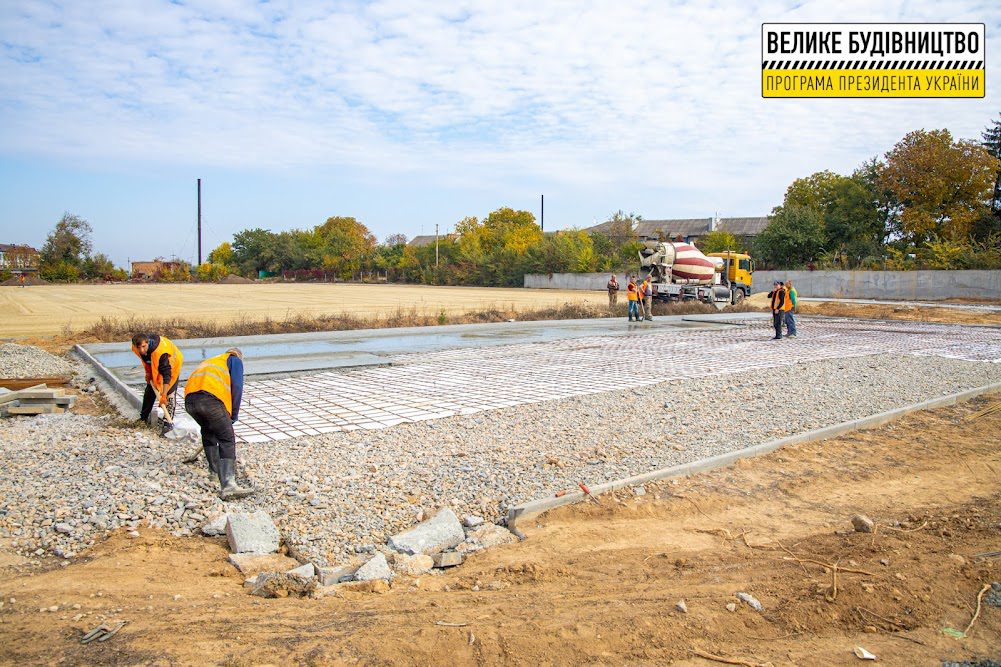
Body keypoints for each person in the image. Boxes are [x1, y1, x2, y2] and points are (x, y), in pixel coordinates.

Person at [184, 347, 254, 500]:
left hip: (190, 401)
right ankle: (228, 485)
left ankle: (214, 473)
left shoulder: (212, 361)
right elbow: (237, 386)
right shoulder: (234, 359)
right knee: (226, 438)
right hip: (209, 400)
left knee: (208, 431)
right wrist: (233, 414)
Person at [131, 333, 183, 434]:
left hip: (172, 364)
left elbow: (167, 374)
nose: (141, 350)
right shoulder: (137, 348)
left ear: (148, 343)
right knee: (150, 389)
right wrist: (148, 373)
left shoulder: (161, 352)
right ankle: (143, 418)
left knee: (169, 393)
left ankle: (168, 422)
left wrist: (163, 394)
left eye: (143, 347)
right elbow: (146, 360)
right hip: (156, 363)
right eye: (139, 348)